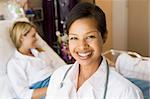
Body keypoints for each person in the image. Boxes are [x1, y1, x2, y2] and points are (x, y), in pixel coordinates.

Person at [46, 2, 144, 99]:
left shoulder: (126, 93)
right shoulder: (58, 77)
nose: (82, 46)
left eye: (90, 37)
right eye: (74, 38)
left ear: (104, 36)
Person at [7, 21, 52, 99]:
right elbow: (24, 94)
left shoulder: (39, 52)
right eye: (33, 36)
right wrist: (53, 88)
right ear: (21, 38)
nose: (36, 39)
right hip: (45, 90)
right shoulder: (15, 64)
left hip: (56, 80)